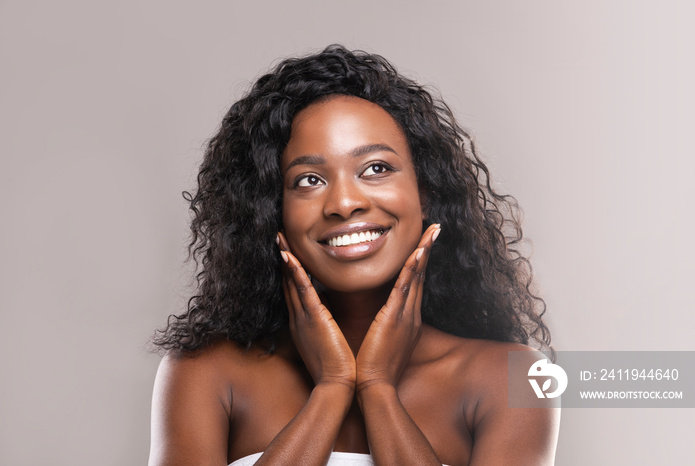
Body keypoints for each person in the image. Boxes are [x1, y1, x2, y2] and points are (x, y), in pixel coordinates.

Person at [148, 45, 559, 466]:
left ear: (426, 194)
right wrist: (332, 388)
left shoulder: (517, 379)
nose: (344, 203)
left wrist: (378, 388)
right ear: (272, 210)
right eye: (309, 179)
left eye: (376, 169)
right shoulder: (206, 371)